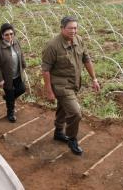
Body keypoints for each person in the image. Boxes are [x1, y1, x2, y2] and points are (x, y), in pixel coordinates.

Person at [42, 16, 100, 155]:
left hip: (74, 83)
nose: (73, 31)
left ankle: (58, 132)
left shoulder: (79, 40)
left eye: (75, 28)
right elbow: (45, 70)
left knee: (63, 108)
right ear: (62, 28)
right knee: (75, 113)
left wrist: (94, 79)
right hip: (61, 85)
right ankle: (72, 139)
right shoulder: (52, 46)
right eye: (70, 28)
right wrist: (49, 91)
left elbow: (86, 59)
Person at [0, 23, 27, 122]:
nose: (9, 36)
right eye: (6, 34)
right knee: (10, 94)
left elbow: (21, 54)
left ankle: (8, 97)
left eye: (11, 34)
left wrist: (23, 65)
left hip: (17, 74)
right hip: (6, 77)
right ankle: (10, 113)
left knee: (22, 89)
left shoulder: (16, 42)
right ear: (2, 35)